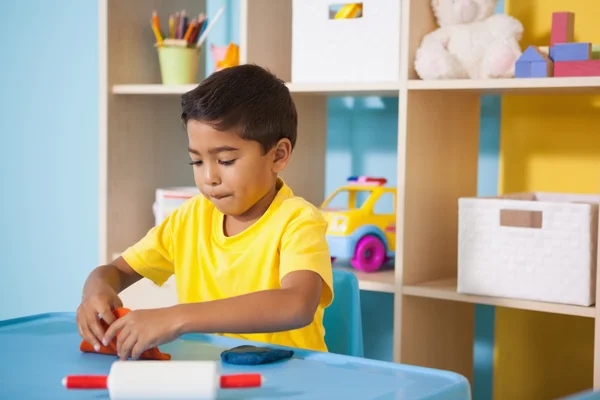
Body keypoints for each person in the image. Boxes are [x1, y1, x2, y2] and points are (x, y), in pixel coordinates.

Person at [76, 64, 334, 360]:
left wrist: (176, 317)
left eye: (225, 160)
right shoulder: (189, 219)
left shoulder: (298, 221)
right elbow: (117, 271)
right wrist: (95, 290)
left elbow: (296, 304)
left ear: (278, 155)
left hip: (292, 380)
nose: (209, 177)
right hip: (210, 376)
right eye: (197, 162)